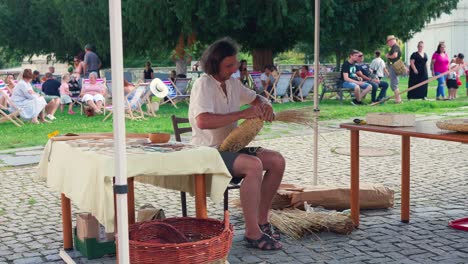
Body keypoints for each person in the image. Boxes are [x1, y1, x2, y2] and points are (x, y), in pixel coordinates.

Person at [188, 37, 284, 250]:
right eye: (228, 66)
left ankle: (262, 221)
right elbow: (203, 121)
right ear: (214, 63)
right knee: (253, 165)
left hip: (230, 149)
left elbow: (256, 99)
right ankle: (251, 233)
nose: (234, 69)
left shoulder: (232, 83)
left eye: (235, 64)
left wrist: (265, 105)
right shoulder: (203, 84)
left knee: (277, 161)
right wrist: (242, 113)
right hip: (207, 152)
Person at [385, 35, 403, 104]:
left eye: (388, 42)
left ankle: (398, 100)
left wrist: (388, 56)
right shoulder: (395, 47)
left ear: (391, 41)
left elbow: (395, 55)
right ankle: (398, 99)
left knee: (394, 84)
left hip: (394, 67)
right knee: (394, 83)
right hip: (394, 66)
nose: (388, 44)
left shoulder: (395, 47)